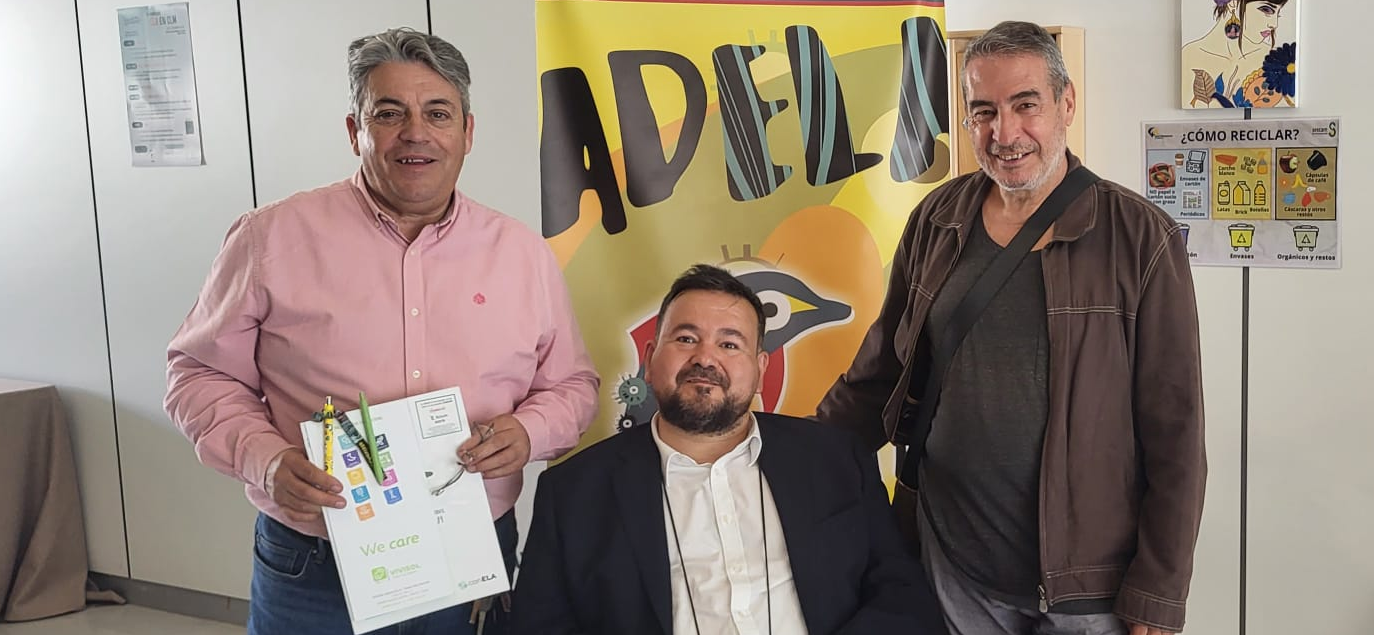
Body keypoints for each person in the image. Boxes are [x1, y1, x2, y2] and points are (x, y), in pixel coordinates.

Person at [164, 27, 599, 635]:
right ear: (355, 131)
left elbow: (573, 386)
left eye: (438, 113)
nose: (415, 133)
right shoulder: (272, 238)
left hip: (469, 551)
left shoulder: (521, 253)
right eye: (389, 113)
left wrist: (530, 431)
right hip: (317, 560)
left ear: (467, 132)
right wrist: (266, 461)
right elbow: (198, 374)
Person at [815, 21, 1206, 635]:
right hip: (951, 565)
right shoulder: (937, 219)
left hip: (1090, 587)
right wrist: (790, 458)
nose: (1004, 133)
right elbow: (881, 371)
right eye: (984, 112)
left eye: (1026, 106)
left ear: (1066, 104)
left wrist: (1158, 589)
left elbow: (1175, 430)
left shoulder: (1139, 238)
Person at [512, 264, 947, 635]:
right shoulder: (572, 494)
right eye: (686, 339)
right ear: (649, 359)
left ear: (760, 370)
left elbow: (902, 596)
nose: (706, 358)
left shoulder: (836, 458)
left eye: (729, 344)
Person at [1180, 0, 1292, 107]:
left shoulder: (1275, 60)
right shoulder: (1190, 55)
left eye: (1277, 14)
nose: (1274, 24)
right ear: (1233, 2)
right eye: (1266, 10)